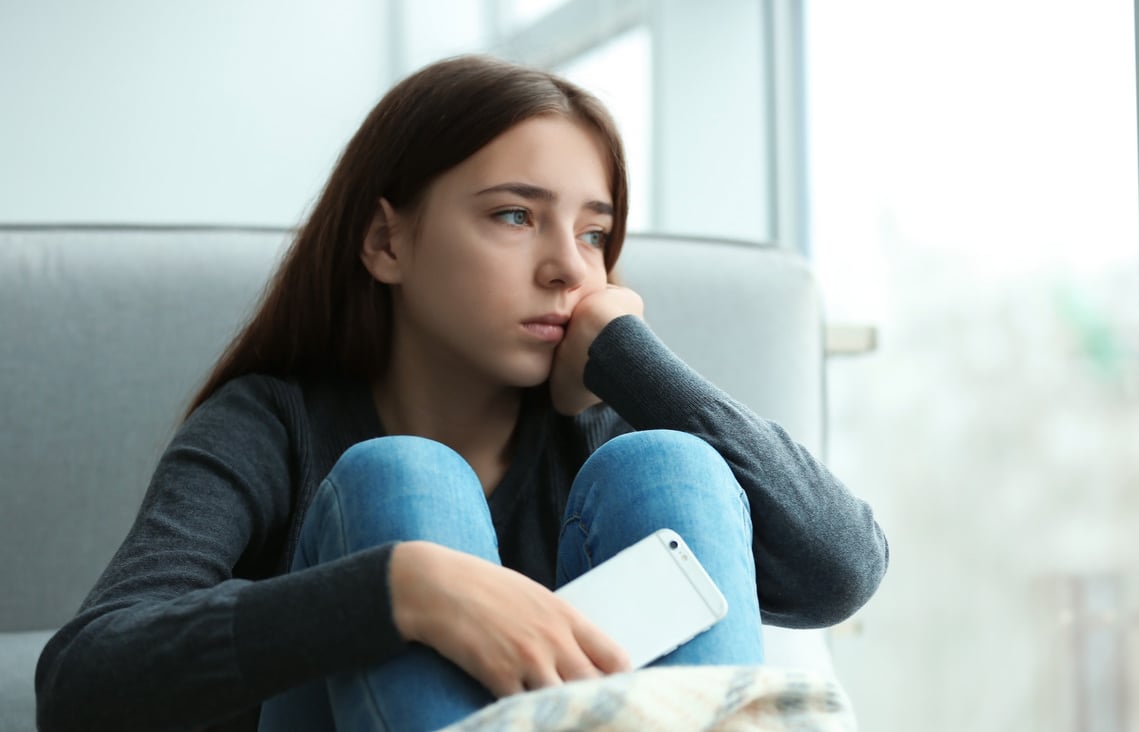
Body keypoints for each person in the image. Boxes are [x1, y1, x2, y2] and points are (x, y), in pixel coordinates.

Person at [34, 54, 889, 732]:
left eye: (595, 233)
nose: (568, 266)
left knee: (674, 467)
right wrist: (400, 590)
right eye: (515, 216)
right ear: (386, 242)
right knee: (402, 481)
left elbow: (842, 571)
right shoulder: (273, 423)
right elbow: (80, 683)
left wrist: (634, 361)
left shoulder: (606, 428)